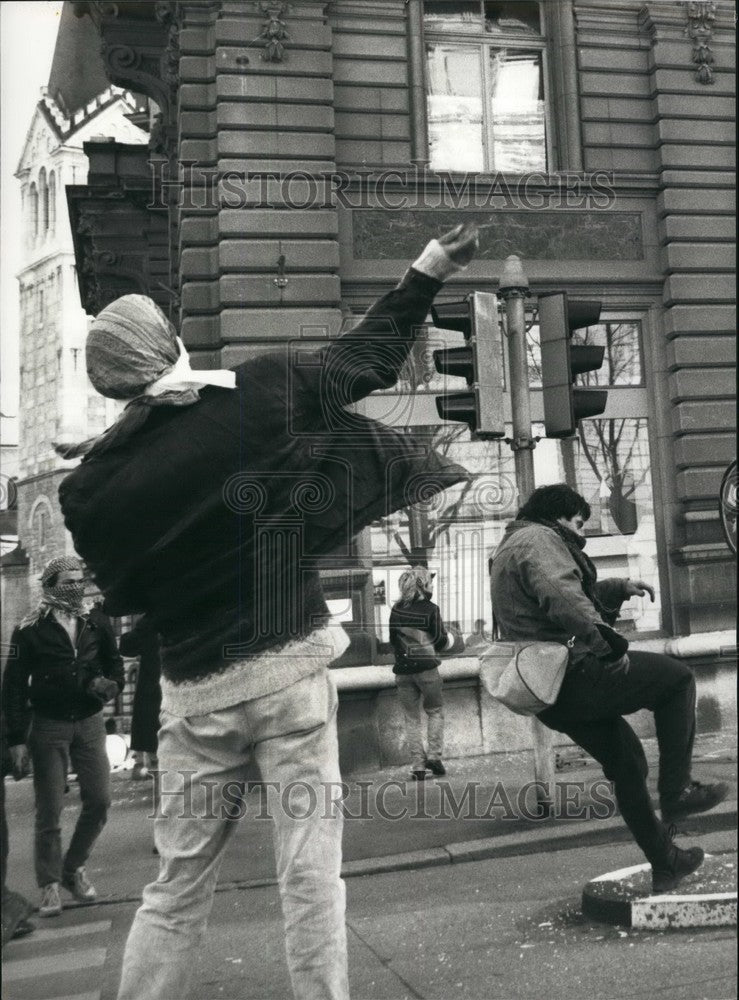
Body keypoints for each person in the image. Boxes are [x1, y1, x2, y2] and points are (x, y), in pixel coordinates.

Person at [57, 224, 479, 1000]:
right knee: (309, 875)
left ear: (111, 385)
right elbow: (368, 357)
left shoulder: (88, 490)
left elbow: (126, 591)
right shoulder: (259, 392)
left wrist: (109, 453)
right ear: (171, 342)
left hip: (194, 696)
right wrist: (428, 268)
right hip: (287, 675)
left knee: (175, 890)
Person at [488, 484, 728, 892]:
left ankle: (667, 863)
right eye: (580, 523)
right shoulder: (537, 540)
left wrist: (616, 589)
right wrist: (608, 645)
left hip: (552, 693)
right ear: (561, 515)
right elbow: (563, 598)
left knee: (628, 763)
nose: (581, 531)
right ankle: (678, 791)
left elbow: (552, 598)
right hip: (576, 672)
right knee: (677, 680)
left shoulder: (512, 545)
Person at [2, 556, 124, 917]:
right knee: (50, 809)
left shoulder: (96, 621)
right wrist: (16, 739)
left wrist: (111, 684)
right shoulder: (29, 629)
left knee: (100, 800)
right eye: (68, 582)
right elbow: (13, 685)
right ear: (50, 586)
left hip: (89, 721)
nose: (76, 587)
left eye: (79, 580)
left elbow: (114, 663)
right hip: (48, 725)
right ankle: (50, 884)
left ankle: (73, 869)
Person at [389, 567, 459, 779]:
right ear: (423, 585)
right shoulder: (431, 609)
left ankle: (418, 767)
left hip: (403, 673)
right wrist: (452, 639)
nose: (432, 586)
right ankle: (434, 757)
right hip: (427, 671)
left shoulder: (396, 610)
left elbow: (392, 641)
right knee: (435, 711)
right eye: (430, 582)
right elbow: (440, 641)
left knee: (411, 719)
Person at [119, 617, 161, 781]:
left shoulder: (151, 622)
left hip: (153, 690)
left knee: (150, 728)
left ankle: (146, 765)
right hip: (181, 685)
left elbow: (126, 646)